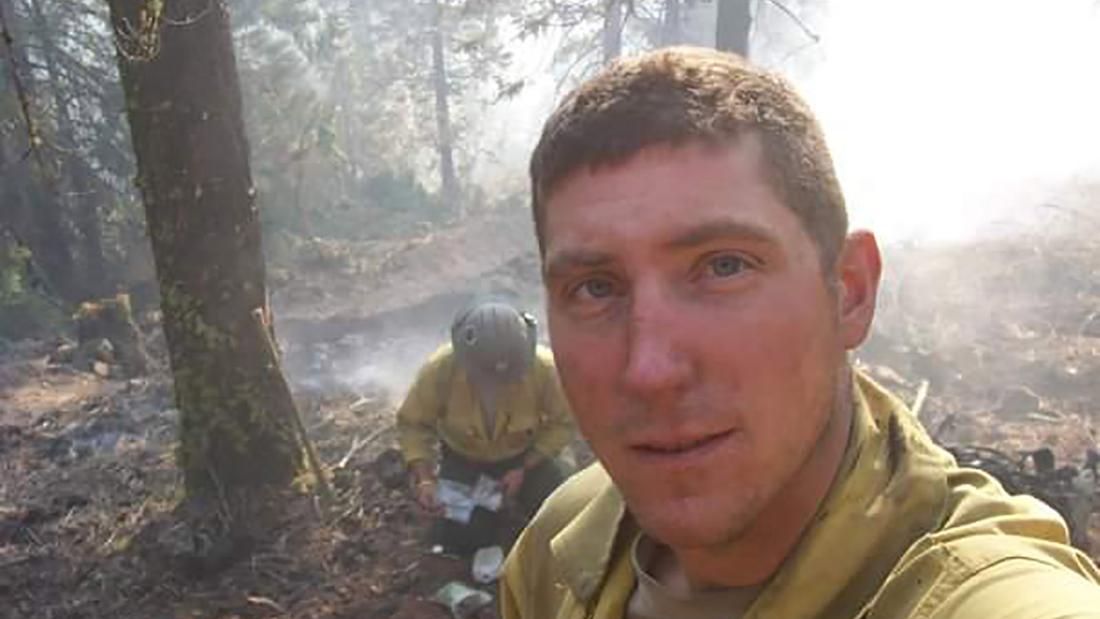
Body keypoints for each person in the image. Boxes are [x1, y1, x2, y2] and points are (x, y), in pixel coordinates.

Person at [501, 47, 1100, 619]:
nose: (650, 370)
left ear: (849, 291)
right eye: (595, 288)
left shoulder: (983, 591)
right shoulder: (558, 549)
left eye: (724, 266)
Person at [396, 300, 574, 555]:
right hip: (464, 460)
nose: (496, 385)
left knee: (564, 513)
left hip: (525, 457)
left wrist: (525, 467)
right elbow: (413, 424)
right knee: (464, 537)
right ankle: (478, 524)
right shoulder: (441, 369)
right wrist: (424, 479)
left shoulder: (544, 369)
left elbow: (564, 423)